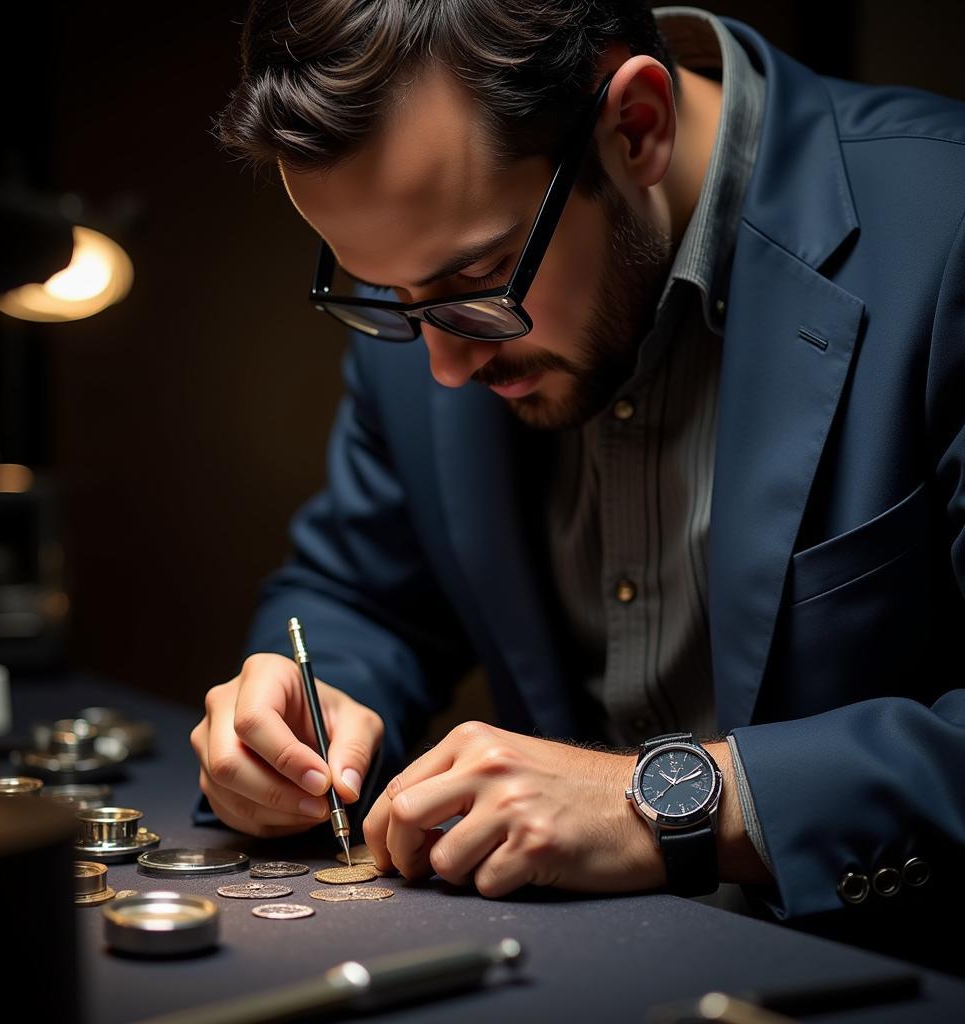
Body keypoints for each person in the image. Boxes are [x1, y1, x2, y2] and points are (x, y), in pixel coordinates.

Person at [189, 1, 965, 969]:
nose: (440, 366)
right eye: (386, 296)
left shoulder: (947, 232)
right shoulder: (435, 304)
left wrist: (668, 806)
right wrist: (302, 706)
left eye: (477, 280)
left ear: (634, 126)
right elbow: (353, 595)